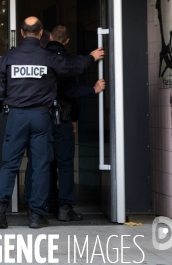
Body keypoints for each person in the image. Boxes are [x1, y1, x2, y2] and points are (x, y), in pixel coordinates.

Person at [0, 17, 104, 229]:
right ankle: (35, 216)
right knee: (40, 166)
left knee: (10, 164)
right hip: (41, 117)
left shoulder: (8, 57)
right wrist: (90, 58)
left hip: (17, 116)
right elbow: (71, 68)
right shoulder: (49, 57)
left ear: (22, 33)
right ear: (41, 33)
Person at [23, 25, 106, 221]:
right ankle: (65, 208)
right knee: (65, 164)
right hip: (62, 120)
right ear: (67, 41)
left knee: (43, 163)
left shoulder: (41, 59)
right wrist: (93, 90)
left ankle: (46, 203)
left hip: (41, 119)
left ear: (49, 36)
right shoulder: (67, 62)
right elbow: (70, 92)